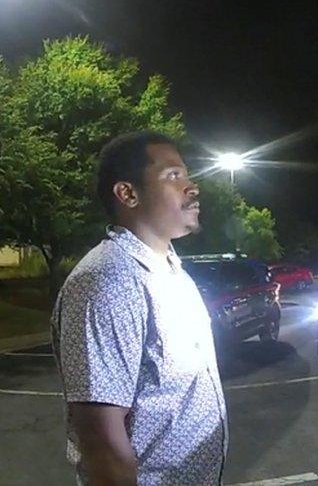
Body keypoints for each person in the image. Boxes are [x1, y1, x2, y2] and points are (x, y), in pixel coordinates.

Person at [51, 131, 227, 486]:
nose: (192, 187)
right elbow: (102, 443)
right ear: (128, 193)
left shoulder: (170, 269)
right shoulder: (107, 281)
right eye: (173, 176)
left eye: (187, 175)